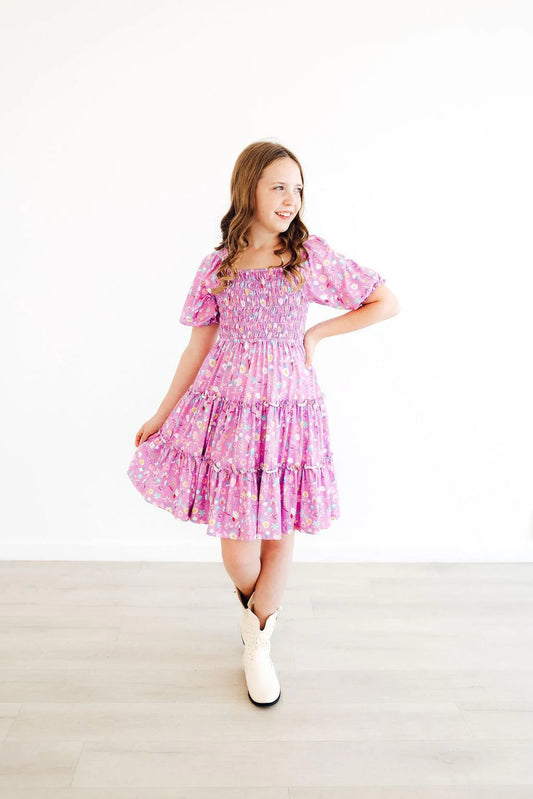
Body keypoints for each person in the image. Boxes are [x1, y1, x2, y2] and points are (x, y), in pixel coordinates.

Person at [127, 140, 400, 707]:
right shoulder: (218, 265)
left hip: (288, 409)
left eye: (298, 188)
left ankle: (258, 642)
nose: (291, 199)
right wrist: (163, 411)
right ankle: (260, 613)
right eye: (279, 186)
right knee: (240, 552)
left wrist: (317, 333)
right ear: (248, 188)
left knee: (281, 521)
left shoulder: (306, 255)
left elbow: (384, 301)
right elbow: (197, 346)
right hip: (230, 412)